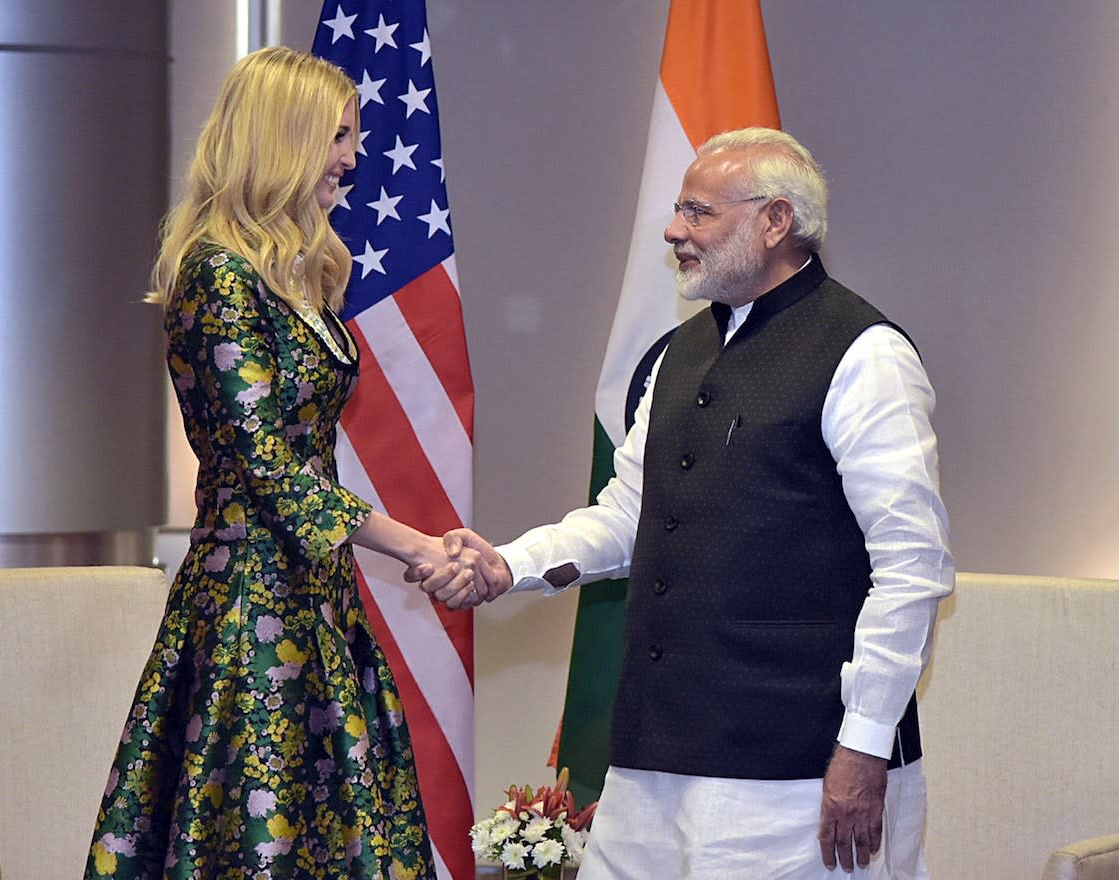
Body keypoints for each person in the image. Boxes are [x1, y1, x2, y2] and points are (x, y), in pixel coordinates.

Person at [418, 128, 954, 879]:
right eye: (677, 210)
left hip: (795, 768)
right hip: (653, 756)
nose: (674, 230)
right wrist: (509, 565)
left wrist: (863, 746)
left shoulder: (865, 354)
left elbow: (912, 566)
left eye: (699, 212)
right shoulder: (676, 353)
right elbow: (627, 517)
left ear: (776, 222)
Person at [84, 47, 480, 880]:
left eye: (356, 139)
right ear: (283, 137)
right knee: (257, 840)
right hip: (248, 612)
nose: (353, 157)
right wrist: (415, 545)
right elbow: (265, 464)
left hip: (316, 595)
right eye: (338, 136)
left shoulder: (300, 272)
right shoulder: (217, 272)